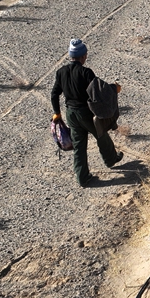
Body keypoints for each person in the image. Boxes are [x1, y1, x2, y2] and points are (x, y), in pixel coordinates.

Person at [51, 39, 124, 187]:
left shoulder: (61, 72)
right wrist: (114, 89)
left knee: (79, 146)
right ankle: (111, 159)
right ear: (83, 56)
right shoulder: (86, 72)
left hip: (71, 114)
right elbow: (99, 91)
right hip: (86, 113)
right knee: (101, 134)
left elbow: (54, 94)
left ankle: (83, 178)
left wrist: (57, 113)